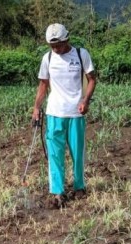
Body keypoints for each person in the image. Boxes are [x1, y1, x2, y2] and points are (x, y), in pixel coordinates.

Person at [32, 23, 97, 208]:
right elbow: (43, 84)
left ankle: (79, 186)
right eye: (52, 46)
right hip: (54, 114)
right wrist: (36, 107)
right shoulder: (48, 58)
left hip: (76, 113)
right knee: (55, 154)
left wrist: (86, 100)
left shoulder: (80, 54)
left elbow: (92, 79)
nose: (56, 49)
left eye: (59, 45)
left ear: (67, 39)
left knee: (78, 153)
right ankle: (57, 191)